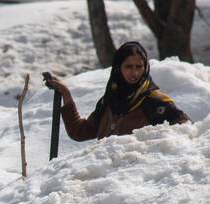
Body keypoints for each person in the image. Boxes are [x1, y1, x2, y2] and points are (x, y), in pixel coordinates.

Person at [46, 41, 190, 142]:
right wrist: (66, 94)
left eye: (139, 66)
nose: (134, 72)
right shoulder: (109, 101)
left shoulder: (156, 102)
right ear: (118, 68)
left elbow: (187, 132)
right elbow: (80, 132)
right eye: (128, 66)